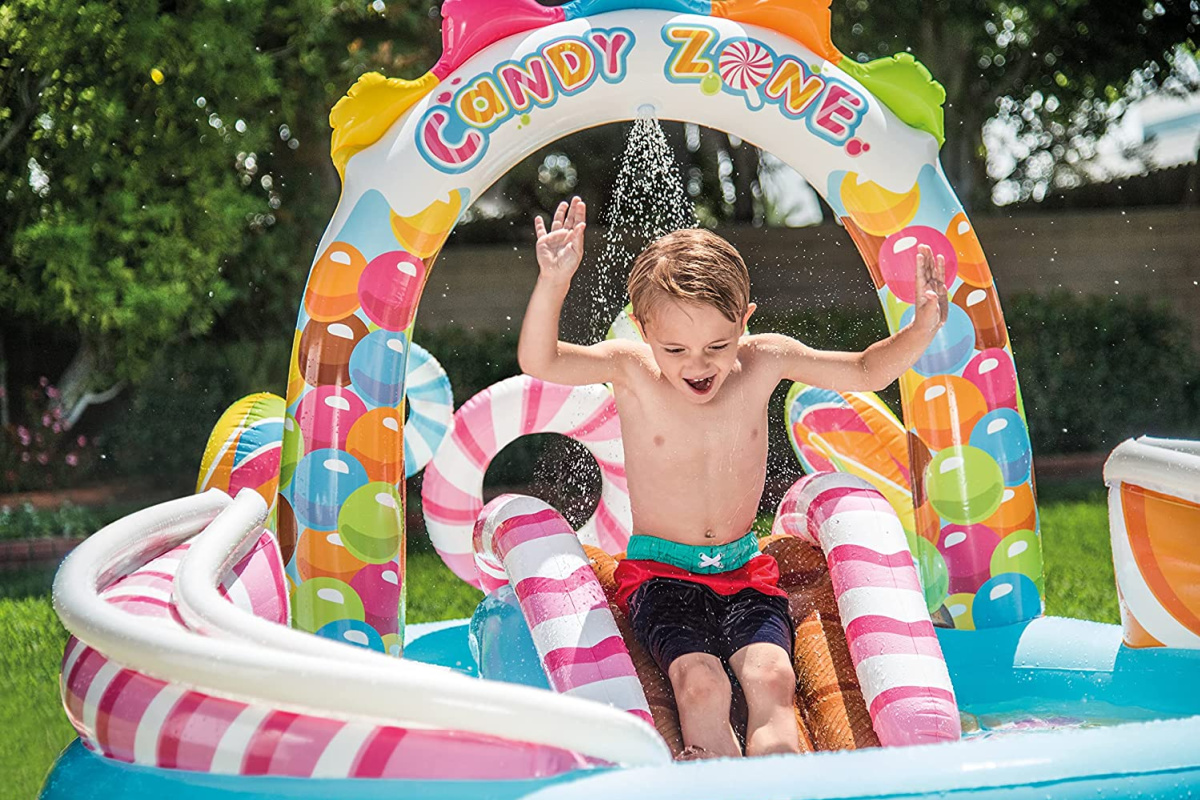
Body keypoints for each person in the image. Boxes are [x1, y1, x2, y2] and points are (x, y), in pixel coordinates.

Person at [517, 196, 947, 760]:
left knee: (771, 677)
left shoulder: (764, 359)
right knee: (702, 683)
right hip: (661, 575)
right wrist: (554, 281)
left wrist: (921, 328)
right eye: (675, 349)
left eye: (717, 346)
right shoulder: (630, 368)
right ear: (643, 329)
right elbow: (540, 360)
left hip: (746, 571)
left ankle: (783, 782)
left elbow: (866, 370)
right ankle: (712, 779)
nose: (698, 365)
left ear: (745, 320)